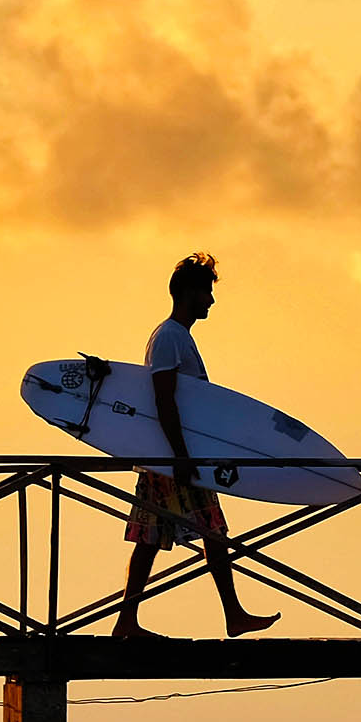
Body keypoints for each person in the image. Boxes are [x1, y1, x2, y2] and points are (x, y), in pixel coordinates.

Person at [114, 253, 279, 639]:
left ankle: (127, 622)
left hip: (173, 457)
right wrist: (182, 457)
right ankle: (230, 615)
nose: (211, 300)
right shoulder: (170, 337)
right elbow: (164, 399)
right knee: (199, 534)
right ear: (188, 292)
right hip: (176, 459)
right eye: (206, 291)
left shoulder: (177, 337)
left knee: (159, 537)